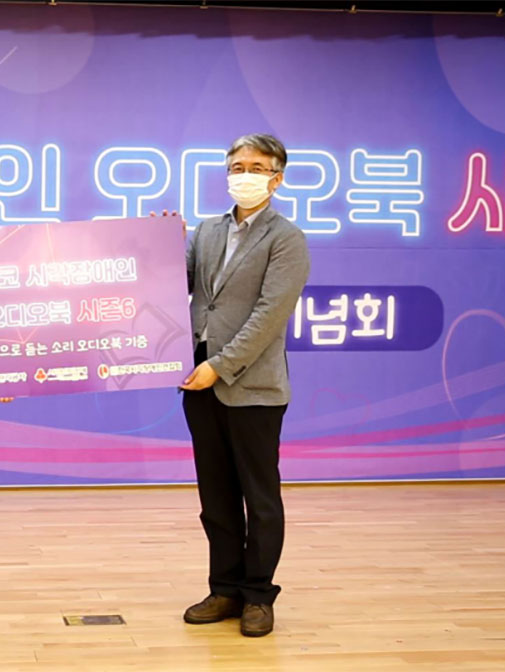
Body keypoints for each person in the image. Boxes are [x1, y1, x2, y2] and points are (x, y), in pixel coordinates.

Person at [178, 133, 310, 637]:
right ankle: (225, 588)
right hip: (198, 381)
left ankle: (258, 595)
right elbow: (178, 284)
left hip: (252, 386)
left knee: (260, 496)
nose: (245, 175)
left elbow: (268, 316)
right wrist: (156, 246)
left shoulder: (286, 238)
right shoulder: (207, 231)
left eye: (257, 167)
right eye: (238, 167)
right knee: (216, 496)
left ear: (277, 178)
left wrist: (221, 364)